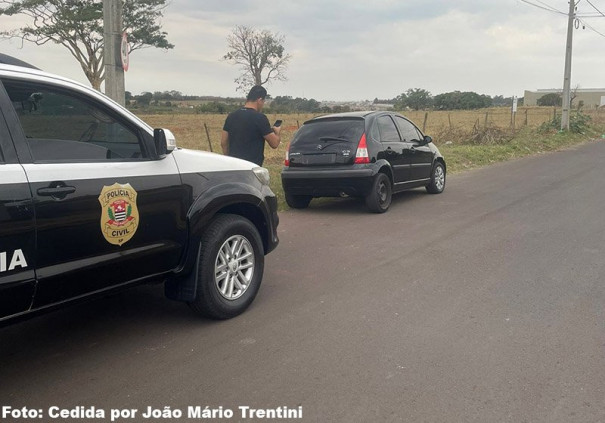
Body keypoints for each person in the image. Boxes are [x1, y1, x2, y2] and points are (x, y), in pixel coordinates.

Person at [221, 85, 281, 166]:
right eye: (263, 102)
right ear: (259, 100)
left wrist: (229, 159)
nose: (262, 104)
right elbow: (274, 144)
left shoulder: (231, 116)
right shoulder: (260, 118)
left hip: (234, 166)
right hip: (251, 167)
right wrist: (277, 132)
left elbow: (224, 142)